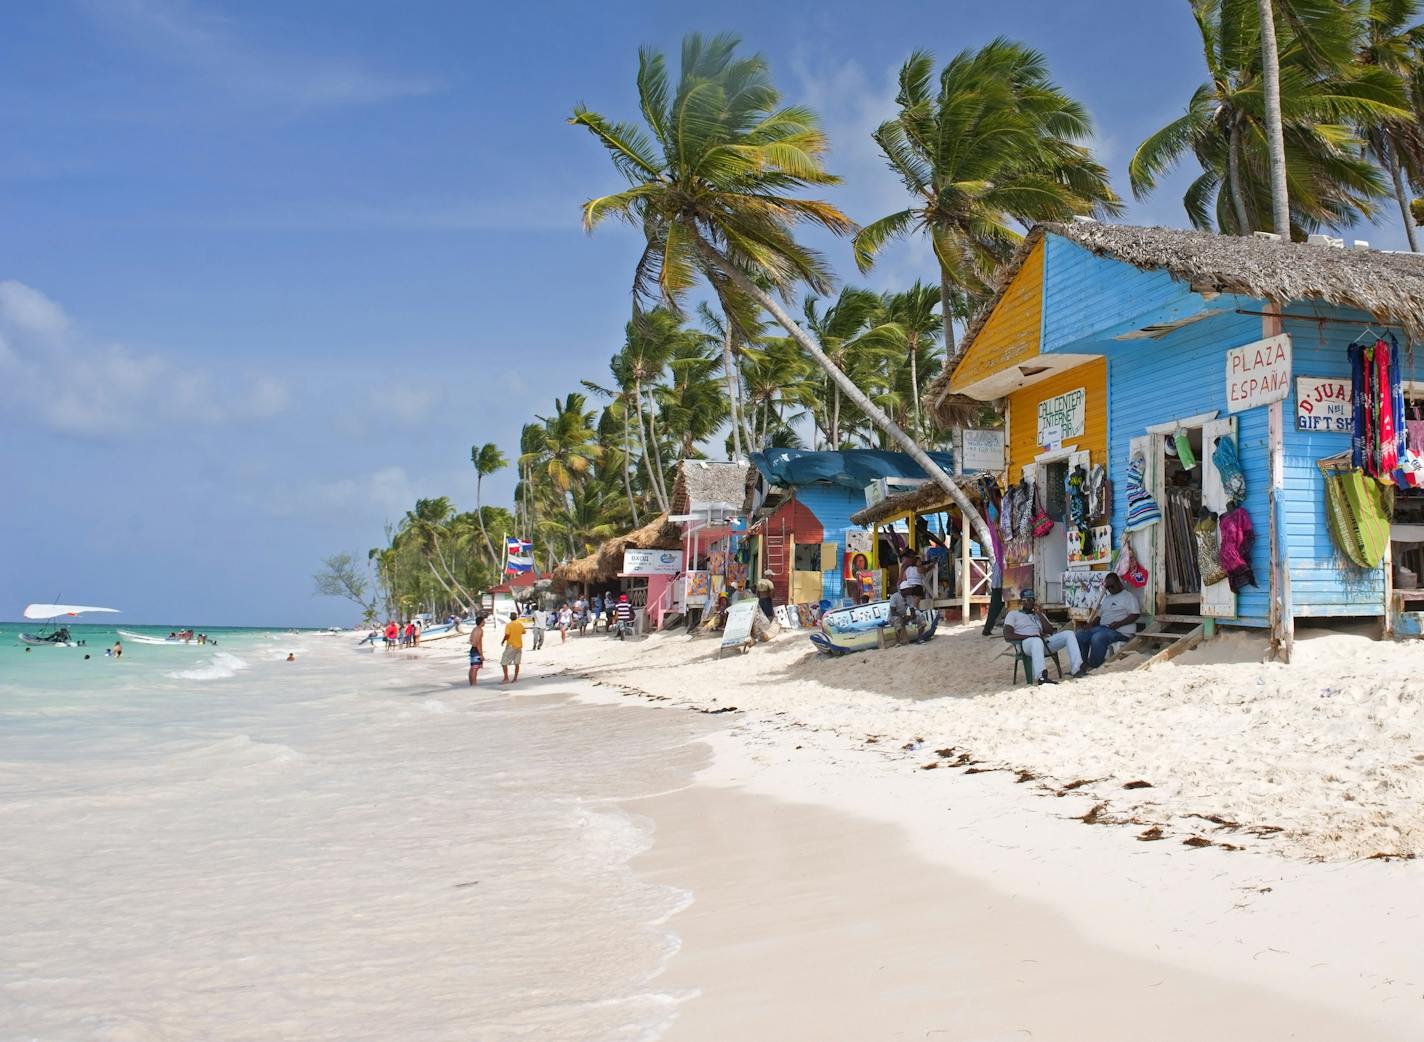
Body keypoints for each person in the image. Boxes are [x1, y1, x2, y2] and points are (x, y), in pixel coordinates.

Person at [1003, 589, 1082, 683]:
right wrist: (1029, 636)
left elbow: (1050, 631)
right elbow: (1008, 635)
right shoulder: (1013, 614)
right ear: (1021, 602)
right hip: (1026, 645)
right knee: (1036, 640)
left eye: (1032, 600)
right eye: (1027, 600)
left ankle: (1076, 669)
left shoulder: (1038, 615)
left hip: (1042, 643)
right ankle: (1041, 676)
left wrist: (1040, 614)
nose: (1031, 602)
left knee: (1069, 634)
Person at [1075, 573, 1140, 671]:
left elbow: (1135, 615)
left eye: (1112, 586)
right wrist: (1090, 625)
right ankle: (1082, 664)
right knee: (1080, 635)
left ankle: (1094, 665)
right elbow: (1099, 616)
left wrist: (1118, 624)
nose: (1110, 589)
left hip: (1120, 631)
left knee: (1098, 638)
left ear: (1119, 583)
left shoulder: (1128, 597)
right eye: (1107, 587)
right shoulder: (1107, 598)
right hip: (1104, 628)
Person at [501, 614, 525, 684]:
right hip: (519, 645)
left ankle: (506, 678)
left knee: (504, 662)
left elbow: (507, 634)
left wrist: (503, 641)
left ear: (510, 618)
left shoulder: (509, 625)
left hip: (511, 645)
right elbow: (523, 632)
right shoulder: (520, 624)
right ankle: (515, 678)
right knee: (517, 663)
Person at [468, 613, 487, 686]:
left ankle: (471, 683)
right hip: (476, 650)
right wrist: (481, 654)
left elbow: (471, 640)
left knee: (473, 667)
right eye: (484, 621)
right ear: (481, 622)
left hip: (473, 649)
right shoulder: (480, 630)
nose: (484, 622)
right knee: (475, 668)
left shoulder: (474, 629)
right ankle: (474, 684)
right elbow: (478, 642)